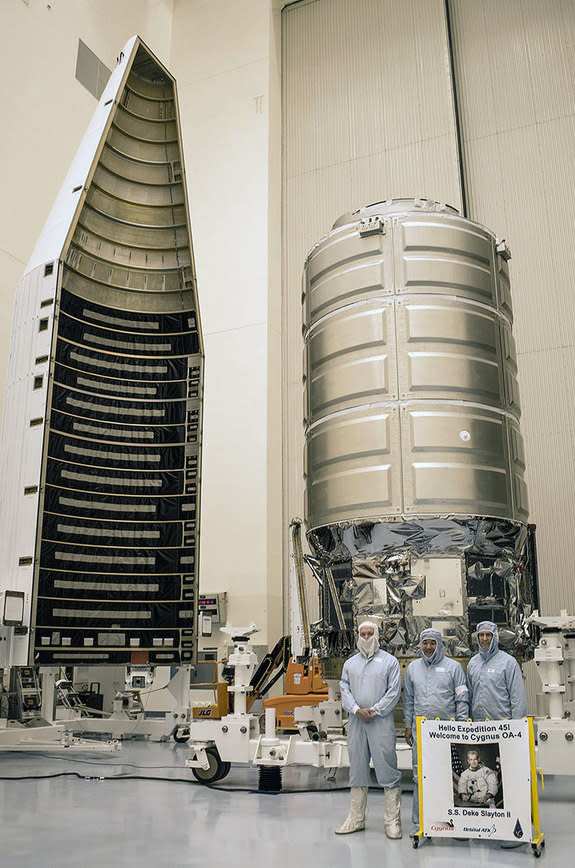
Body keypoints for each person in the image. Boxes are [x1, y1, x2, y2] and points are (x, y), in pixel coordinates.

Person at [336, 620, 402, 838]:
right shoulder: (350, 664)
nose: (365, 638)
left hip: (380, 722)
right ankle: (356, 819)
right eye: (362, 634)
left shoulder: (389, 662)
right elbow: (344, 689)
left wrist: (374, 710)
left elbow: (393, 692)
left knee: (387, 767)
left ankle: (392, 821)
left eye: (369, 634)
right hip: (356, 722)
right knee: (357, 768)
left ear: (377, 635)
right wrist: (356, 710)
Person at [403, 628, 469, 837]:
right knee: (419, 777)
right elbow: (410, 701)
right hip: (422, 732)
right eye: (425, 643)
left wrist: (460, 725)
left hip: (447, 732)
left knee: (452, 777)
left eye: (433, 643)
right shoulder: (413, 668)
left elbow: (462, 699)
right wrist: (407, 726)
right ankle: (420, 824)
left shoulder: (454, 668)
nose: (429, 647)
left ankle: (456, 824)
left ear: (440, 645)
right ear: (420, 645)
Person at [467, 620, 527, 721]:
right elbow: (469, 696)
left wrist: (517, 726)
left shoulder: (508, 662)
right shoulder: (473, 663)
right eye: (481, 635)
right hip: (479, 727)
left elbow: (517, 698)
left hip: (502, 727)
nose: (484, 639)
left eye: (488, 635)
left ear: (494, 637)